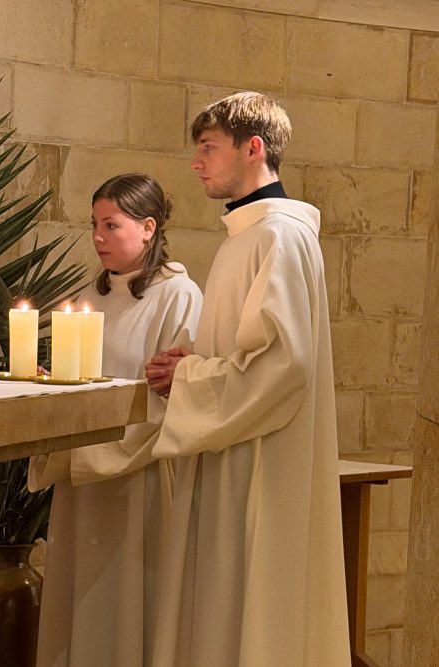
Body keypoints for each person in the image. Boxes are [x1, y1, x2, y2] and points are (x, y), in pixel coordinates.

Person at [145, 91, 350, 665]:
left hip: (254, 457)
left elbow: (284, 363)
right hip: (233, 444)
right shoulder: (249, 235)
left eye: (208, 148)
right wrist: (198, 358)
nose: (196, 162)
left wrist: (190, 376)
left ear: (253, 148)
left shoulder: (277, 236)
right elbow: (250, 346)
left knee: (244, 611)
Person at [28, 173, 202, 666]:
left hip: (137, 478)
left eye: (111, 224)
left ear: (148, 228)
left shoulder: (178, 296)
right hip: (84, 478)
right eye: (94, 225)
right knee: (78, 603)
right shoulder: (93, 296)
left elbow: (177, 396)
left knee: (127, 609)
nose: (98, 237)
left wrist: (96, 451)